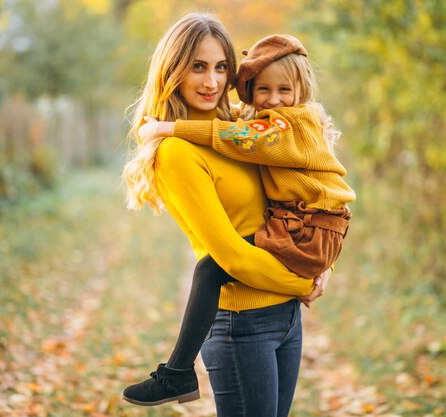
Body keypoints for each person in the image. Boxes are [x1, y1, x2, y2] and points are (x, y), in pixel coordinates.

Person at [121, 14, 324, 417]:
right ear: (173, 71)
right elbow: (229, 256)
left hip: (285, 318)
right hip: (241, 324)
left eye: (220, 67)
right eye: (198, 67)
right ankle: (176, 372)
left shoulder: (239, 128)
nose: (212, 81)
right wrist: (299, 281)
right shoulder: (177, 152)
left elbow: (295, 199)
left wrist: (321, 264)